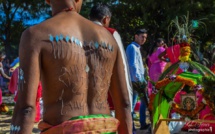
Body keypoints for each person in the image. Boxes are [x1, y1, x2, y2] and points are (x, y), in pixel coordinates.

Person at [11, 0, 132, 134]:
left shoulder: (36, 35)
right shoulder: (108, 38)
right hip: (105, 130)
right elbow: (124, 104)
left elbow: (26, 108)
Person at [89, 3, 133, 117]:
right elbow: (122, 65)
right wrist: (127, 100)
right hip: (108, 97)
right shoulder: (111, 33)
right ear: (105, 19)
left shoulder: (78, 33)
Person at [126, 29, 149, 132]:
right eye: (142, 37)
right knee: (133, 104)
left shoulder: (137, 48)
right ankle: (131, 128)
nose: (144, 39)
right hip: (135, 81)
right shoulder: (132, 47)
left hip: (139, 80)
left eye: (145, 37)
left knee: (144, 102)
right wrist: (139, 81)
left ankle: (142, 123)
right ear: (136, 36)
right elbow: (133, 65)